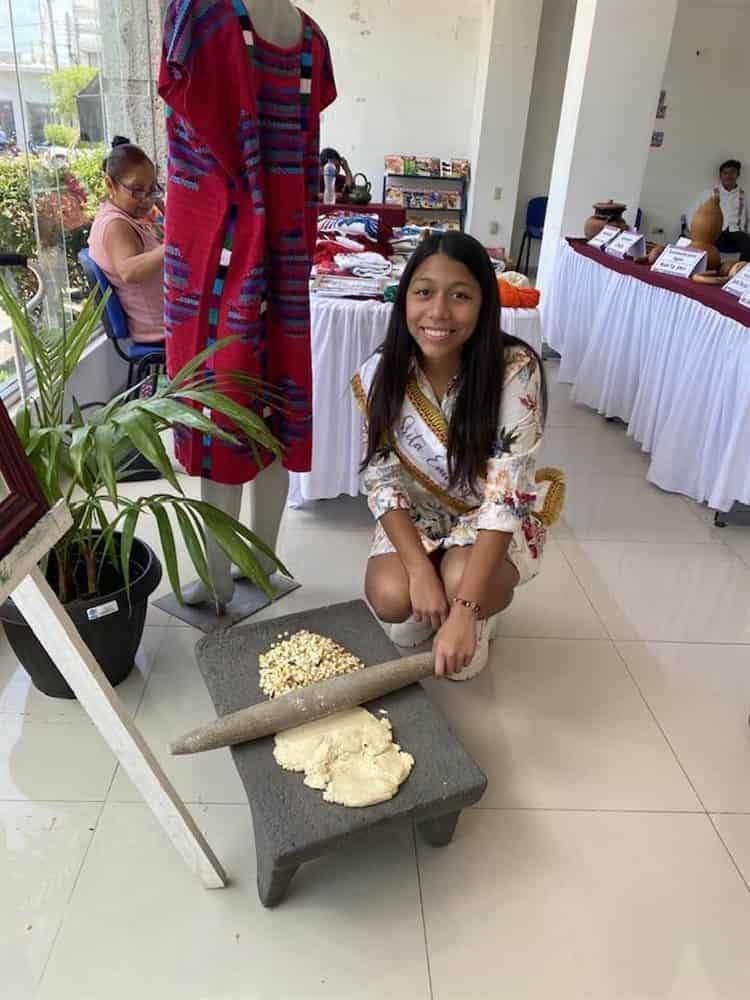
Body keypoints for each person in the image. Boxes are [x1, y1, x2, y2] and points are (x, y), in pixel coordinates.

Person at [353, 232, 560, 681]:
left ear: (484, 304)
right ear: (404, 298)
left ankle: (473, 613)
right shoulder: (381, 372)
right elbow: (382, 481)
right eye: (424, 292)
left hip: (485, 523)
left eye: (460, 296)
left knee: (462, 587)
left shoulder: (515, 370)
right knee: (391, 598)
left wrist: (465, 610)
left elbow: (504, 502)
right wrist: (416, 570)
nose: (439, 313)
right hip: (420, 517)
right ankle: (434, 586)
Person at [87, 136, 165, 343]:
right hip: (160, 328)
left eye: (151, 190)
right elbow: (129, 270)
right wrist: (172, 247)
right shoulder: (115, 225)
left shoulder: (126, 214)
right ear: (109, 184)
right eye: (137, 190)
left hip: (166, 318)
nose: (146, 200)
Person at [694, 159, 750, 261]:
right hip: (715, 231)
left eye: (732, 172)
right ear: (720, 176)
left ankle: (741, 271)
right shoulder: (710, 193)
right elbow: (696, 216)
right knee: (704, 246)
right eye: (725, 173)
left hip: (736, 231)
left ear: (738, 175)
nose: (729, 176)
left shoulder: (744, 195)